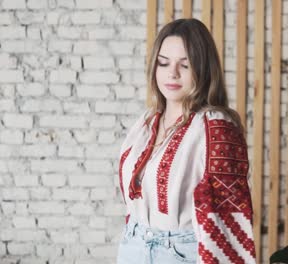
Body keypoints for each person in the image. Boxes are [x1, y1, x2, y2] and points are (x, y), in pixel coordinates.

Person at [116, 18, 256, 264]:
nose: (172, 73)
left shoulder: (215, 126)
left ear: (202, 69)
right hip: (133, 246)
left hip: (180, 253)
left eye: (185, 65)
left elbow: (229, 218)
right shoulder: (146, 123)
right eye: (163, 63)